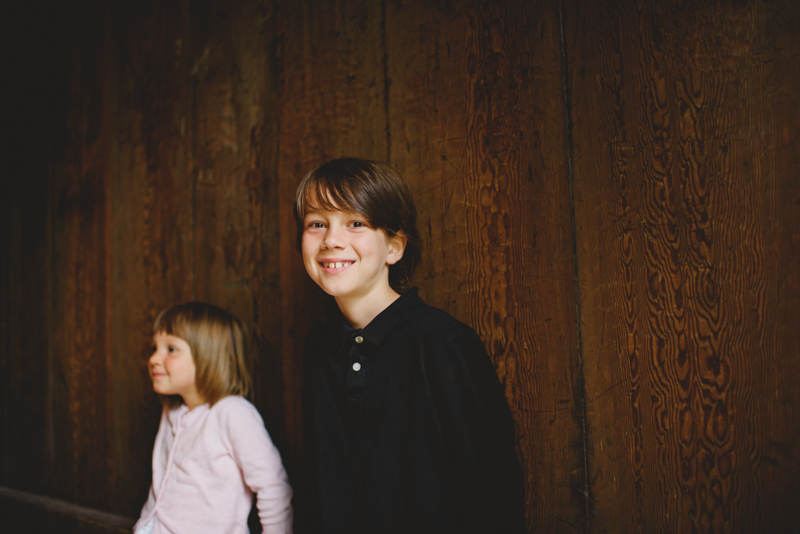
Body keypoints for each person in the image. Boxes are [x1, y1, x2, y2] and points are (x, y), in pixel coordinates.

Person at [296, 158, 526, 533]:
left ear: (394, 248)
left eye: (355, 223)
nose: (331, 240)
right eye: (316, 223)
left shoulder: (442, 342)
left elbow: (493, 491)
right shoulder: (319, 348)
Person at [134, 302, 293, 534]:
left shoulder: (232, 413)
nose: (154, 359)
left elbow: (273, 487)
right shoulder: (173, 412)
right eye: (154, 348)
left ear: (207, 355)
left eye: (171, 349)